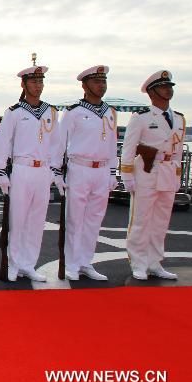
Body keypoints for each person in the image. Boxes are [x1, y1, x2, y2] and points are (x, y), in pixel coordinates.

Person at [0, 65, 63, 282]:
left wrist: (54, 170)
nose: (38, 86)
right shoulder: (15, 112)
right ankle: (13, 264)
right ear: (23, 85)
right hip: (22, 169)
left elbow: (56, 144)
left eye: (41, 82)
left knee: (36, 221)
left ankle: (28, 264)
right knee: (18, 219)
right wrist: (1, 172)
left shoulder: (51, 112)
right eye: (33, 82)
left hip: (42, 170)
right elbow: (3, 144)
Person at [57, 65, 118, 281]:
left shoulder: (110, 113)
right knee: (75, 219)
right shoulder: (73, 112)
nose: (101, 85)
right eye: (96, 82)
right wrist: (57, 172)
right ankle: (71, 264)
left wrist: (113, 172)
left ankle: (86, 262)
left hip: (101, 170)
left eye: (103, 82)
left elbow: (112, 145)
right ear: (85, 85)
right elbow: (60, 143)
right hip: (79, 168)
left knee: (94, 219)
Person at [121, 70, 184, 281]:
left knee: (161, 221)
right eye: (164, 86)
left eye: (170, 86)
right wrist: (127, 176)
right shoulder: (141, 118)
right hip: (146, 172)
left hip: (167, 172)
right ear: (152, 92)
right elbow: (128, 150)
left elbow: (178, 152)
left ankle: (155, 262)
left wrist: (177, 177)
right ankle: (138, 262)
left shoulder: (180, 119)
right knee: (141, 220)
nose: (169, 89)